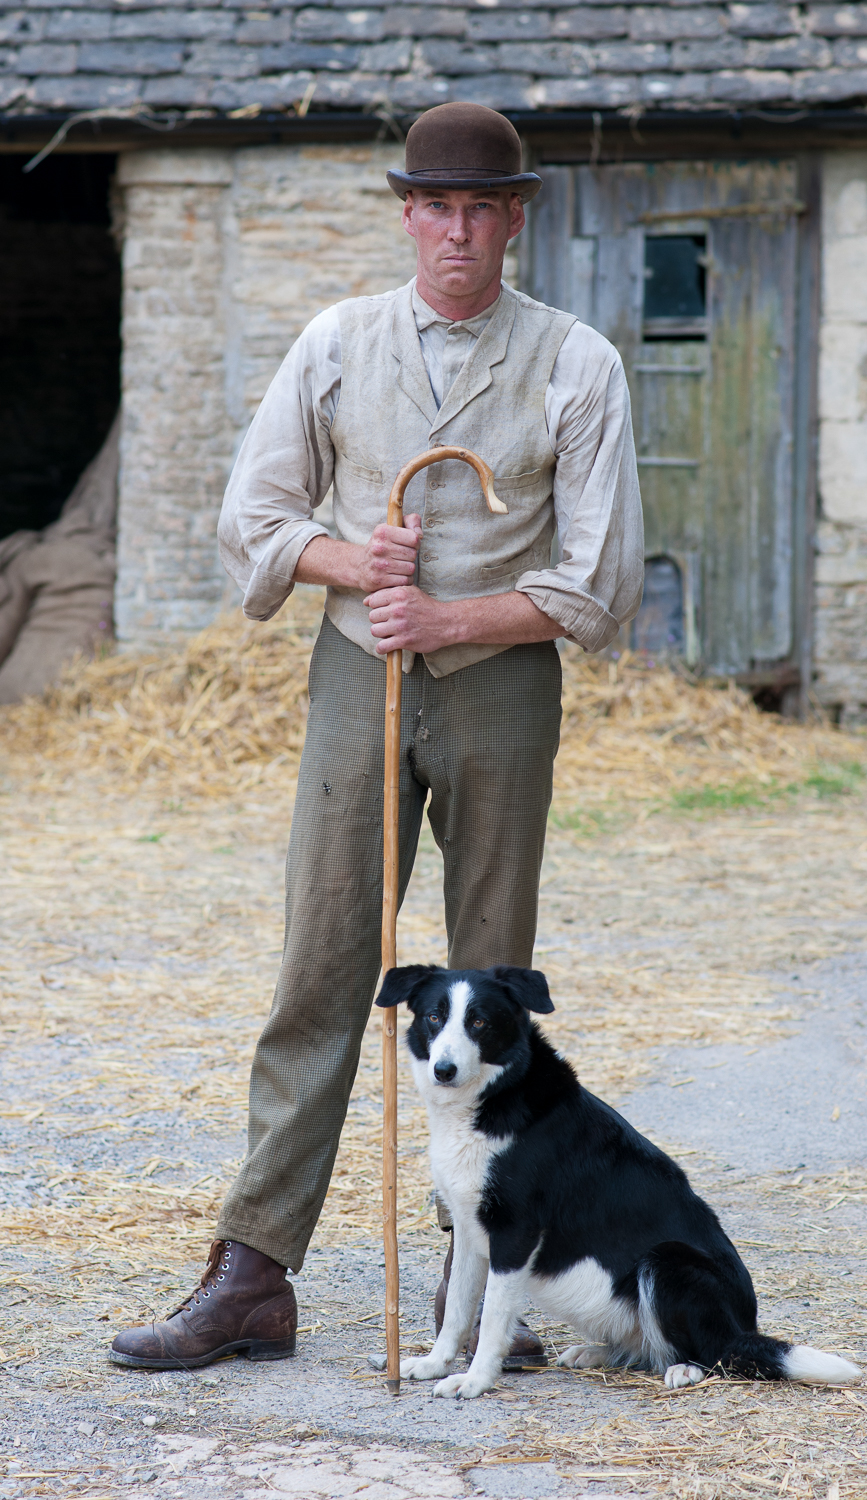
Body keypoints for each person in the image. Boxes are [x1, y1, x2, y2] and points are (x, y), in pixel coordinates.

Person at [110, 102, 644, 1373]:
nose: (458, 232)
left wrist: (454, 608)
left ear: (515, 219)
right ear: (405, 213)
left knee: (493, 979)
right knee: (325, 962)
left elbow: (601, 580)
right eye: (436, 207)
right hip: (360, 677)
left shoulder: (577, 363)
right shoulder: (338, 343)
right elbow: (256, 515)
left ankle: (485, 1289)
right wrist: (358, 561)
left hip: (503, 686)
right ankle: (252, 1274)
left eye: (482, 210)